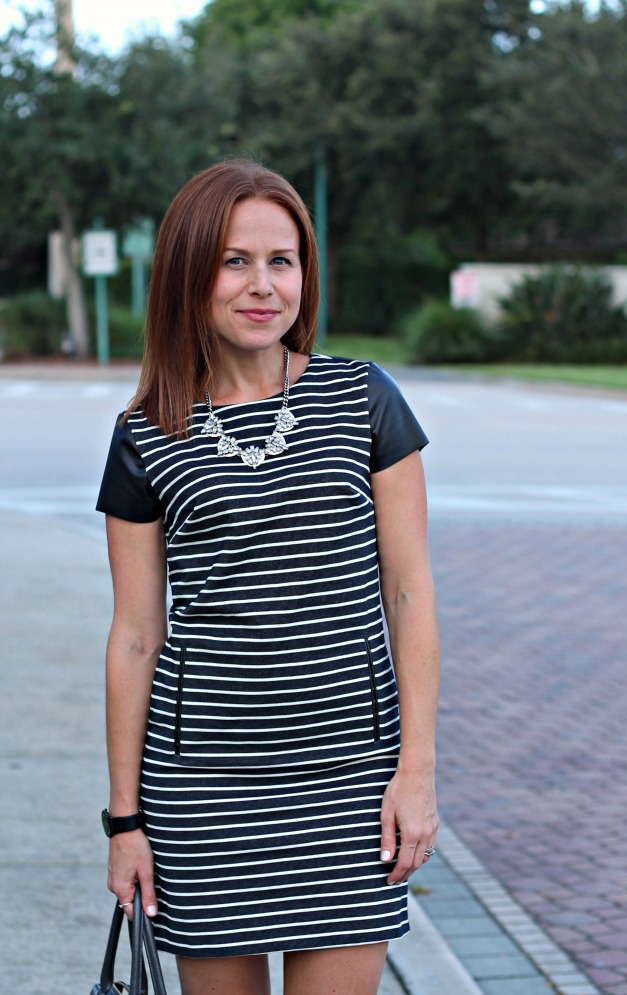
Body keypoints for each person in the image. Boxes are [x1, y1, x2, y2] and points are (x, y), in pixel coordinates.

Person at [96, 159, 439, 995]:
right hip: (205, 788)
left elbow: (410, 592)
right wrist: (125, 822)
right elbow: (137, 634)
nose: (262, 285)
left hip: (350, 779)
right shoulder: (144, 435)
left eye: (280, 260)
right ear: (189, 273)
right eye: (234, 260)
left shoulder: (364, 397)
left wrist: (417, 770)